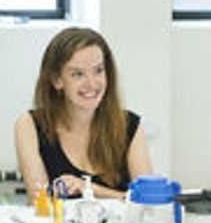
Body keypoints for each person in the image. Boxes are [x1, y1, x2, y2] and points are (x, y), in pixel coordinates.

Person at [15, 27, 153, 200]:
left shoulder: (130, 126)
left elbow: (148, 202)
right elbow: (40, 201)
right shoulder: (29, 125)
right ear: (57, 80)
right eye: (78, 74)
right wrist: (115, 196)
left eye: (98, 71)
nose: (92, 84)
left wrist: (87, 188)